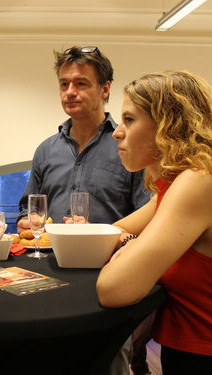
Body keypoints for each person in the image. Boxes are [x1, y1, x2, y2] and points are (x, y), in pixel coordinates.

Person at [16, 46, 151, 375]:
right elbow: (25, 214)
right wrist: (29, 221)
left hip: (108, 280)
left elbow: (150, 222)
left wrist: (96, 236)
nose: (70, 92)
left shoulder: (130, 146)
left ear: (105, 89)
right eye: (64, 84)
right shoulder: (45, 150)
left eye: (81, 83)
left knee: (108, 363)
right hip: (49, 279)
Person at [96, 70, 212, 374]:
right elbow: (113, 232)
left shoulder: (197, 181)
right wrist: (128, 242)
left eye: (130, 120)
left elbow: (113, 288)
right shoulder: (171, 186)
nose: (117, 132)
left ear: (168, 125)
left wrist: (127, 246)